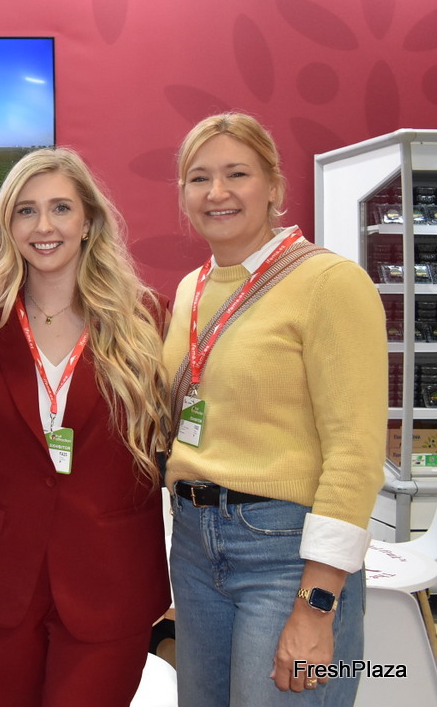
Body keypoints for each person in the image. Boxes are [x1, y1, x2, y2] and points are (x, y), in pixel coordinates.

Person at [164, 112, 385, 706]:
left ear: (274, 185)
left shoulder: (330, 283)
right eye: (199, 178)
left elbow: (355, 454)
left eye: (237, 173)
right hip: (195, 545)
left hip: (286, 553)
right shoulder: (190, 289)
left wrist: (317, 604)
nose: (217, 192)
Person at [0, 147, 171, 707]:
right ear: (7, 226)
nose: (44, 226)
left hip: (111, 577)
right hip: (0, 579)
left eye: (60, 208)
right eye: (26, 211)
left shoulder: (146, 319)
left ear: (88, 221)